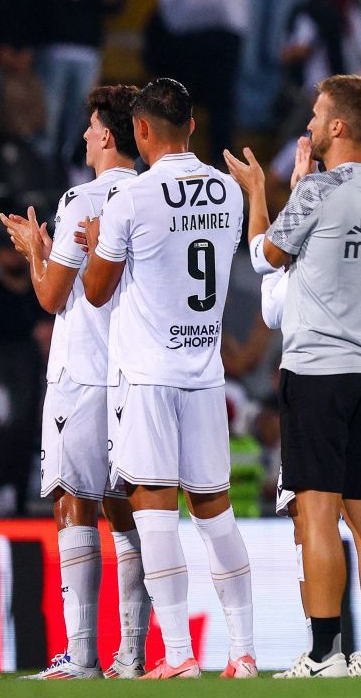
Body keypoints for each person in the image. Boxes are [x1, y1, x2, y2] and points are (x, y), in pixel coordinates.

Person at [223, 75, 361, 677]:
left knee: (320, 510)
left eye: (317, 114)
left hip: (318, 370)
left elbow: (264, 256)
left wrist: (258, 193)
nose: (308, 123)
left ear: (339, 128)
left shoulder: (321, 192)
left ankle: (326, 651)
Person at [77, 79, 255, 679]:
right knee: (215, 511)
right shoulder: (229, 193)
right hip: (205, 372)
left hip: (149, 376)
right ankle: (244, 650)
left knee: (154, 510)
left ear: (141, 131)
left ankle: (177, 654)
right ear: (194, 127)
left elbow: (95, 293)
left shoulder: (131, 200)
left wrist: (102, 246)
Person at [0, 85, 147, 679]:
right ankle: (132, 654)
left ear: (106, 135)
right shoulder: (151, 193)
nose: (84, 136)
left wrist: (38, 251)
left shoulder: (80, 197)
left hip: (82, 373)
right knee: (130, 510)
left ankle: (81, 654)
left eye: (89, 128)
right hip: (135, 373)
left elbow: (52, 296)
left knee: (74, 504)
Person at [26, 0, 125, 167]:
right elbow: (27, 2)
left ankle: (74, 173)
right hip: (52, 49)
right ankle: (43, 175)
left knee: (81, 122)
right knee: (49, 119)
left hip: (86, 49)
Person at [153, 0, 249, 161]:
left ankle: (175, 160)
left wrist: (172, 24)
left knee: (179, 103)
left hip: (192, 40)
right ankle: (223, 162)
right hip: (229, 38)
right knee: (222, 107)